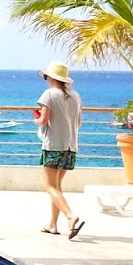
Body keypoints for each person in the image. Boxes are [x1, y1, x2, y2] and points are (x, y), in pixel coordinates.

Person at [33, 60, 84, 238]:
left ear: (51, 78)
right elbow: (78, 122)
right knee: (57, 186)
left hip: (53, 145)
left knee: (49, 186)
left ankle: (70, 216)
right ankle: (52, 225)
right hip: (70, 146)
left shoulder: (49, 94)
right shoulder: (75, 96)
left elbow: (44, 121)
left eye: (46, 77)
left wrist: (36, 119)